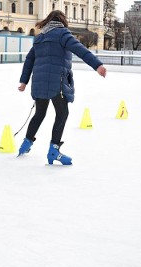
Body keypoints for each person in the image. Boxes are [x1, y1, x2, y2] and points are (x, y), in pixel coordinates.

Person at [18, 10, 107, 165]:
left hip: (38, 82)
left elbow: (29, 60)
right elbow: (80, 49)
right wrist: (97, 65)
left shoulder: (40, 38)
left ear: (48, 21)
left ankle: (25, 144)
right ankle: (54, 151)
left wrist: (24, 81)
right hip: (56, 82)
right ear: (62, 21)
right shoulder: (62, 34)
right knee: (62, 113)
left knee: (39, 113)